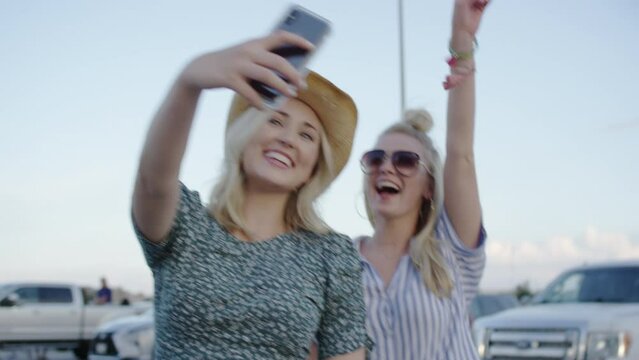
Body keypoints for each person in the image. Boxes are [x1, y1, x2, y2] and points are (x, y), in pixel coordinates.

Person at [132, 31, 368, 359]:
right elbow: (152, 180)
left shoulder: (332, 255)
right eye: (275, 120)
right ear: (244, 136)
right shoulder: (185, 225)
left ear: (314, 167)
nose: (288, 139)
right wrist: (189, 82)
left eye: (306, 135)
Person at [355, 0, 490, 359]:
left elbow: (460, 151)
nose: (387, 167)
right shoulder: (341, 262)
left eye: (405, 160)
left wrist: (461, 39)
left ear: (429, 186)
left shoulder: (451, 252)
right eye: (376, 158)